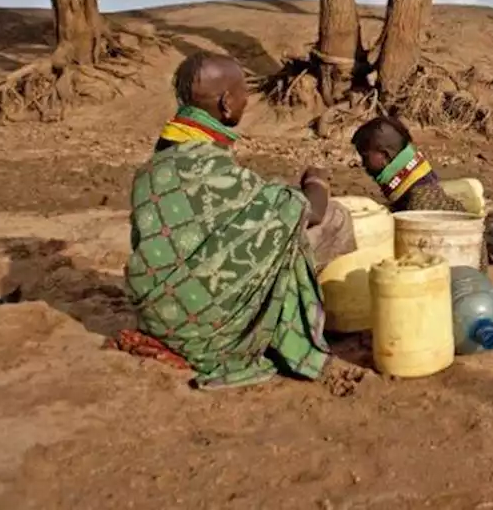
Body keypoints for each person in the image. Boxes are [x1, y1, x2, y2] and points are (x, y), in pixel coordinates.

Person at [119, 52, 360, 390]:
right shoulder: (217, 172)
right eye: (244, 91)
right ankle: (296, 318)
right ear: (226, 103)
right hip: (212, 331)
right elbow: (311, 211)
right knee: (333, 218)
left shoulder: (152, 170)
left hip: (160, 318)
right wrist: (317, 181)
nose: (249, 99)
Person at [352, 115, 493, 264]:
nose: (362, 163)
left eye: (365, 155)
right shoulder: (416, 181)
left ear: (385, 156)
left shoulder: (419, 201)